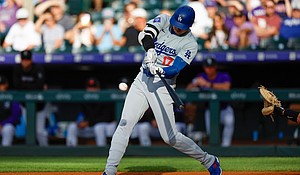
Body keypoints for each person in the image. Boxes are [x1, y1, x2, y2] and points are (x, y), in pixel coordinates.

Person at [102, 5, 222, 175]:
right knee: (124, 124)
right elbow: (146, 34)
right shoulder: (165, 20)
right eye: (176, 25)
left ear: (189, 26)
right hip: (141, 81)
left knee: (170, 137)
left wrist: (161, 70)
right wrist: (150, 49)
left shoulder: (190, 44)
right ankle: (110, 170)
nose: (176, 28)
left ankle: (208, 160)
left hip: (162, 86)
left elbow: (176, 68)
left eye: (181, 28)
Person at [186, 56, 235, 147]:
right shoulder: (201, 76)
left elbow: (226, 87)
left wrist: (208, 84)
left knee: (229, 122)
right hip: (210, 109)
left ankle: (226, 147)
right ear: (204, 68)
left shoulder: (223, 75)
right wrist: (195, 83)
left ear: (215, 67)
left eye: (211, 67)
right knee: (211, 132)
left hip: (225, 108)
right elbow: (188, 89)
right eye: (207, 67)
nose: (209, 69)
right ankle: (215, 148)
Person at [12, 50, 49, 146]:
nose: (25, 62)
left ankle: (46, 152)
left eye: (27, 60)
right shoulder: (17, 68)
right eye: (24, 60)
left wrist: (24, 86)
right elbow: (16, 85)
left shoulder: (38, 68)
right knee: (30, 130)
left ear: (31, 60)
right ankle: (33, 153)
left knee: (40, 131)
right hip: (25, 105)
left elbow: (40, 85)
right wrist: (32, 86)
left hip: (40, 106)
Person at [66, 77, 116, 147]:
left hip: (103, 127)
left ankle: (101, 150)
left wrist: (88, 122)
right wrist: (80, 123)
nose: (92, 90)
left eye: (94, 87)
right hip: (89, 128)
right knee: (72, 127)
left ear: (98, 88)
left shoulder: (105, 99)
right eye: (90, 87)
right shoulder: (84, 100)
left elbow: (106, 118)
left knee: (98, 127)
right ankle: (70, 150)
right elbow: (79, 116)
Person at [0, 75, 22, 146]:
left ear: (6, 85)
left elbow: (15, 116)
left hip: (7, 126)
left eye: (2, 85)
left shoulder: (12, 96)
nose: (0, 87)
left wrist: (2, 124)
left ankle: (5, 152)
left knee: (8, 129)